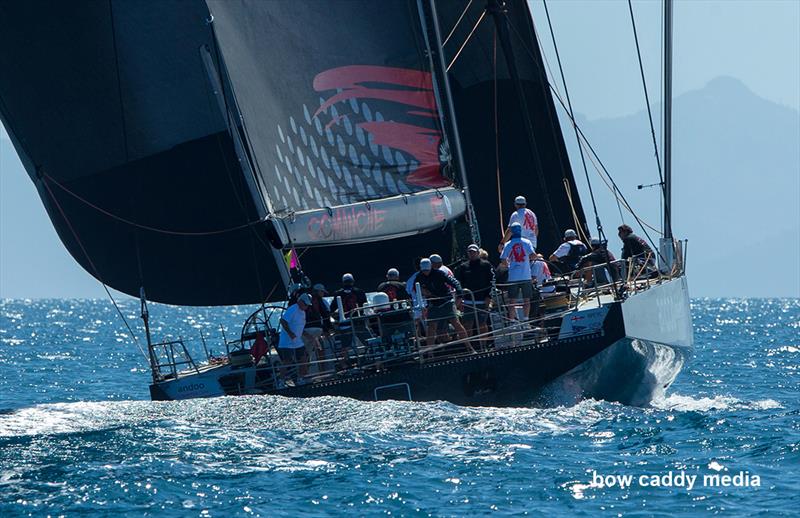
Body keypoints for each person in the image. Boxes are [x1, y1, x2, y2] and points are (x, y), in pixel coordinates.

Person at [416, 258, 469, 348]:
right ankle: (430, 354)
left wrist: (459, 293)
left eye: (427, 270)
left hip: (446, 302)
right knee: (431, 327)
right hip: (433, 304)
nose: (426, 272)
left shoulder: (439, 273)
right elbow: (418, 290)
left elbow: (454, 282)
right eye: (424, 270)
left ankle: (469, 347)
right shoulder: (419, 277)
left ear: (431, 267)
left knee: (455, 322)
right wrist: (423, 292)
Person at [455, 243, 495, 340]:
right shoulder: (463, 267)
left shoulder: (486, 265)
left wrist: (489, 297)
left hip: (482, 300)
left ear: (478, 252)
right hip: (468, 302)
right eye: (470, 252)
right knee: (467, 324)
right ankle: (470, 348)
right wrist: (459, 299)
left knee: (482, 324)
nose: (472, 254)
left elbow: (493, 281)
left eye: (474, 252)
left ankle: (484, 346)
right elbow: (459, 284)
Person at [500, 222, 536, 320]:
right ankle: (526, 319)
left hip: (513, 276)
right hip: (526, 276)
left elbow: (503, 259)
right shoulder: (527, 242)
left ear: (511, 231)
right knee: (526, 300)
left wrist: (508, 265)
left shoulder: (508, 244)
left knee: (512, 301)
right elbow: (533, 255)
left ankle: (512, 320)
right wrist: (527, 261)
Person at [278, 293, 311, 383]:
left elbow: (300, 327)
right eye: (305, 304)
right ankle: (281, 381)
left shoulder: (303, 313)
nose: (306, 306)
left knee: (303, 358)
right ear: (300, 301)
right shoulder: (293, 309)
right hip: (287, 341)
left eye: (307, 305)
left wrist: (309, 336)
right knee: (287, 361)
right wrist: (290, 333)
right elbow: (283, 321)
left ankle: (300, 378)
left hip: (297, 341)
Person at [302, 283, 333, 371]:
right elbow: (325, 315)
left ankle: (305, 372)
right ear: (318, 291)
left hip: (304, 329)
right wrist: (328, 329)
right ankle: (323, 370)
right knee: (320, 347)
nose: (323, 294)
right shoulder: (319, 300)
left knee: (305, 352)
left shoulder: (305, 299)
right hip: (316, 328)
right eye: (322, 292)